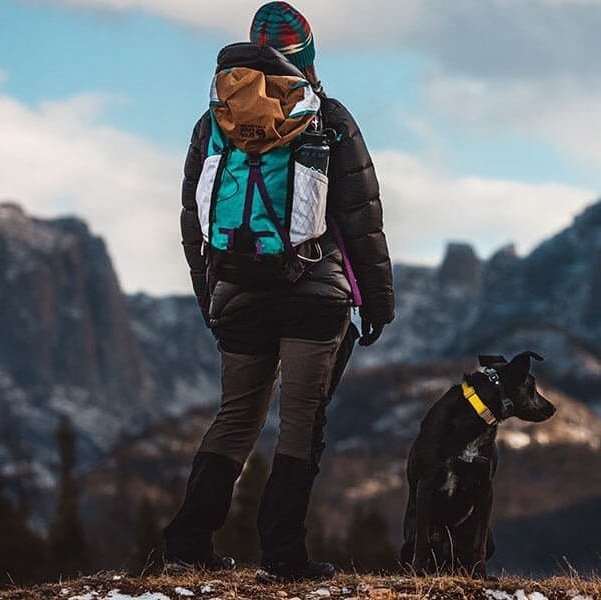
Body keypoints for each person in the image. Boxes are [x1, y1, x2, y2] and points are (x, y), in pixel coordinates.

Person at [162, 1, 394, 582]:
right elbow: (361, 216)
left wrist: (208, 294)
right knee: (300, 422)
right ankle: (283, 555)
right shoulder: (330, 116)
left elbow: (194, 219)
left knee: (236, 417)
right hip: (316, 294)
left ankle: (189, 541)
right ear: (308, 55)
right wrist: (380, 300)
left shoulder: (214, 119)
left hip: (237, 290)